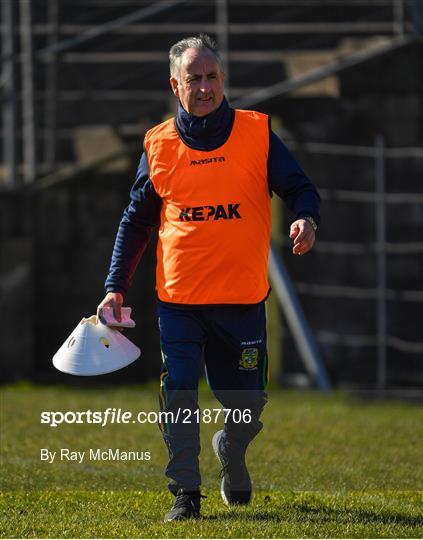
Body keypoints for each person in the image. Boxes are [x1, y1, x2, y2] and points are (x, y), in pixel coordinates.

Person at [97, 34, 320, 521]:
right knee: (177, 391)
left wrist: (305, 216)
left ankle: (231, 448)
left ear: (224, 80)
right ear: (175, 86)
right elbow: (135, 222)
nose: (204, 86)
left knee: (247, 405)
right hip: (178, 300)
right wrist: (115, 284)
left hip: (241, 300)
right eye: (193, 78)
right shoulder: (158, 145)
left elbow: (299, 186)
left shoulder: (257, 133)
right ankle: (185, 494)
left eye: (212, 76)